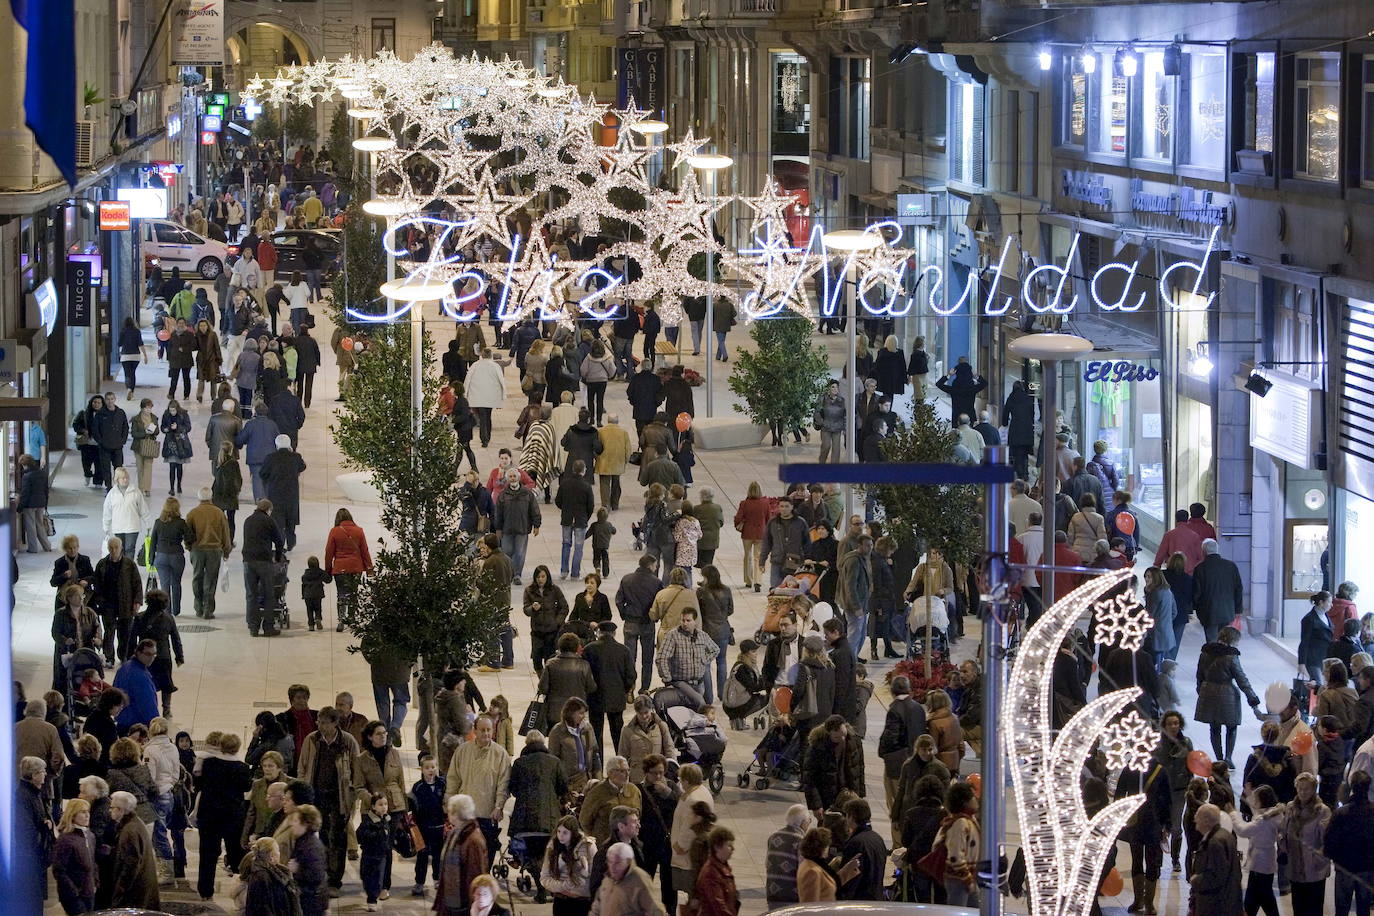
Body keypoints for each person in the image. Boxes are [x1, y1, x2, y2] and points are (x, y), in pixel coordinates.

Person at [298, 706, 359, 892]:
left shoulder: (347, 741)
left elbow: (357, 769)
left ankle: (334, 880)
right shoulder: (312, 739)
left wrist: (353, 796)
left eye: (324, 722)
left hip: (339, 797)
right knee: (322, 836)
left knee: (338, 838)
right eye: (319, 722)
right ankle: (322, 873)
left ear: (334, 723)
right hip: (317, 796)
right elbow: (303, 766)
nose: (320, 726)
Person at [195, 730, 251, 900]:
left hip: (209, 814)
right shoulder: (242, 768)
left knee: (207, 854)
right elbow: (246, 788)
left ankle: (206, 892)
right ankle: (241, 889)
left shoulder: (209, 763)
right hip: (232, 816)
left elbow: (199, 783)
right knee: (236, 853)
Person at [1195, 626, 1262, 767]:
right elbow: (1242, 679)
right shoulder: (1231, 657)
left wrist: (1201, 691)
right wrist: (1253, 700)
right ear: (1233, 640)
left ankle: (1219, 758)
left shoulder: (1205, 653)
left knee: (1214, 728)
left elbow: (1199, 675)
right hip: (1227, 695)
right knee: (1231, 726)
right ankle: (1228, 757)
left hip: (1208, 691)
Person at [1324, 770, 1374, 916]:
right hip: (1367, 867)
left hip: (1344, 867)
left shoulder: (1341, 813)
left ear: (1352, 787)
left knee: (1342, 908)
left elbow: (1330, 839)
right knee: (1364, 908)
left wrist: (1331, 856)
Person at [1284, 772, 1331, 916]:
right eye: (1300, 788)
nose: (1303, 792)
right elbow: (1283, 830)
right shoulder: (1290, 807)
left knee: (1314, 909)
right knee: (1298, 908)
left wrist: (1318, 860)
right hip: (1295, 868)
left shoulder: (1322, 811)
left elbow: (1327, 842)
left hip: (1314, 870)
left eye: (1307, 789)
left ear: (1314, 789)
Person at [584, 621, 633, 753]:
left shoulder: (589, 649)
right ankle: (620, 764)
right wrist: (625, 690)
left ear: (599, 632)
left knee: (596, 734)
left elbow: (585, 674)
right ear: (614, 633)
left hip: (595, 697)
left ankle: (598, 769)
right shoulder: (624, 650)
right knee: (618, 734)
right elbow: (631, 676)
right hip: (616, 697)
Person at [657, 607, 718, 708]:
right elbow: (661, 658)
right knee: (700, 703)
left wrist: (704, 660)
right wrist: (667, 679)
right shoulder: (673, 636)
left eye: (688, 620)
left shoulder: (702, 635)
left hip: (698, 682)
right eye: (683, 620)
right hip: (681, 682)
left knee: (694, 710)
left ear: (695, 622)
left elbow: (715, 649)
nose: (685, 623)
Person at [108, 789, 160, 908]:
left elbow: (130, 866)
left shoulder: (129, 831)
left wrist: (119, 893)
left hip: (136, 894)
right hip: (142, 890)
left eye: (112, 807)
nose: (109, 810)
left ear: (120, 810)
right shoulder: (135, 823)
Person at [324, 507, 372, 632]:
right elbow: (364, 550)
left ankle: (341, 619)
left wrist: (328, 569)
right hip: (356, 567)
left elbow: (329, 552)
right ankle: (352, 618)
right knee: (353, 593)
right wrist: (369, 568)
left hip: (340, 568)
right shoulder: (359, 531)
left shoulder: (334, 532)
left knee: (341, 594)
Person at [591, 840, 664, 916]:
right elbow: (597, 907)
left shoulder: (639, 879)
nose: (612, 867)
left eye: (617, 863)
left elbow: (654, 910)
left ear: (628, 861)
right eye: (610, 862)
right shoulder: (607, 880)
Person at [541, 813, 595, 915]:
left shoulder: (588, 847)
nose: (561, 835)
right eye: (559, 831)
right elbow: (544, 877)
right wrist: (564, 886)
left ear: (573, 833)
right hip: (561, 900)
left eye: (565, 833)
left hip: (582, 902)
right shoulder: (553, 848)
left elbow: (593, 876)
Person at [53, 797, 98, 915]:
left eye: (88, 811)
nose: (87, 815)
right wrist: (74, 892)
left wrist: (95, 882)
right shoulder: (65, 839)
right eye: (83, 812)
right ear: (73, 815)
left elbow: (93, 862)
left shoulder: (90, 835)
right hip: (74, 896)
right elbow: (59, 870)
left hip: (89, 891)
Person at [940, 780, 981, 907]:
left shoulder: (969, 820)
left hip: (967, 877)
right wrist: (967, 879)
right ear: (965, 802)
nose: (976, 799)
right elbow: (955, 855)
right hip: (959, 879)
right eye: (973, 797)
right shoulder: (960, 823)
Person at [838, 798, 887, 901]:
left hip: (859, 901)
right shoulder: (878, 838)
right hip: (876, 897)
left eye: (847, 815)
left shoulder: (855, 843)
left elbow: (849, 879)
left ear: (852, 817)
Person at [355, 790, 395, 911]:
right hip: (369, 854)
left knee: (378, 878)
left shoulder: (387, 819)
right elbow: (360, 835)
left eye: (385, 804)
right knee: (366, 876)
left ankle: (372, 900)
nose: (384, 807)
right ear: (373, 806)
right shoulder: (368, 821)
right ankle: (371, 894)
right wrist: (377, 834)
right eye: (380, 804)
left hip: (382, 855)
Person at [287, 805, 328, 916]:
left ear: (306, 823)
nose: (292, 824)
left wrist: (297, 869)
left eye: (295, 820)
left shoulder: (311, 846)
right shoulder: (303, 841)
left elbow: (316, 875)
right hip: (310, 899)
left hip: (312, 902)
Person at [761, 497, 809, 588]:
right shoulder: (773, 522)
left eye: (787, 506)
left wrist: (808, 558)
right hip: (777, 561)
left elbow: (807, 543)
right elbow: (767, 543)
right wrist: (762, 561)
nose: (784, 509)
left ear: (792, 507)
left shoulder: (800, 523)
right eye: (781, 506)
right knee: (775, 589)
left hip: (795, 561)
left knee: (793, 590)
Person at [733, 481, 772, 593]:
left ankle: (748, 580)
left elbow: (738, 518)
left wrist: (738, 525)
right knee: (758, 557)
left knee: (747, 556)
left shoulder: (744, 503)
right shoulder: (765, 503)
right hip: (761, 533)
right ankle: (758, 581)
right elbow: (769, 519)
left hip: (747, 534)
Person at [111, 640, 159, 729]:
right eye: (148, 654)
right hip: (137, 725)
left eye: (154, 654)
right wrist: (156, 725)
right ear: (138, 653)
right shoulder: (139, 675)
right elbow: (147, 704)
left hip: (122, 720)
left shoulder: (125, 667)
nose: (151, 658)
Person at [101, 467, 147, 558]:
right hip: (118, 527)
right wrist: (106, 526)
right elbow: (107, 511)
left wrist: (148, 523)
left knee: (130, 549)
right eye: (123, 478)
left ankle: (128, 570)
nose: (125, 480)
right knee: (119, 550)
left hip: (132, 527)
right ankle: (121, 569)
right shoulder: (112, 494)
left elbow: (143, 508)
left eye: (127, 477)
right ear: (117, 479)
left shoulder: (135, 492)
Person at [693, 826, 739, 916]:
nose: (733, 849)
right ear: (717, 847)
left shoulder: (723, 868)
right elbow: (719, 906)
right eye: (729, 845)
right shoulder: (711, 873)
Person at [935, 358, 988, 426]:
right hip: (970, 416)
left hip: (957, 417)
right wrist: (976, 376)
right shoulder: (972, 388)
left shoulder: (954, 389)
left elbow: (939, 384)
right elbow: (984, 383)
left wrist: (948, 375)